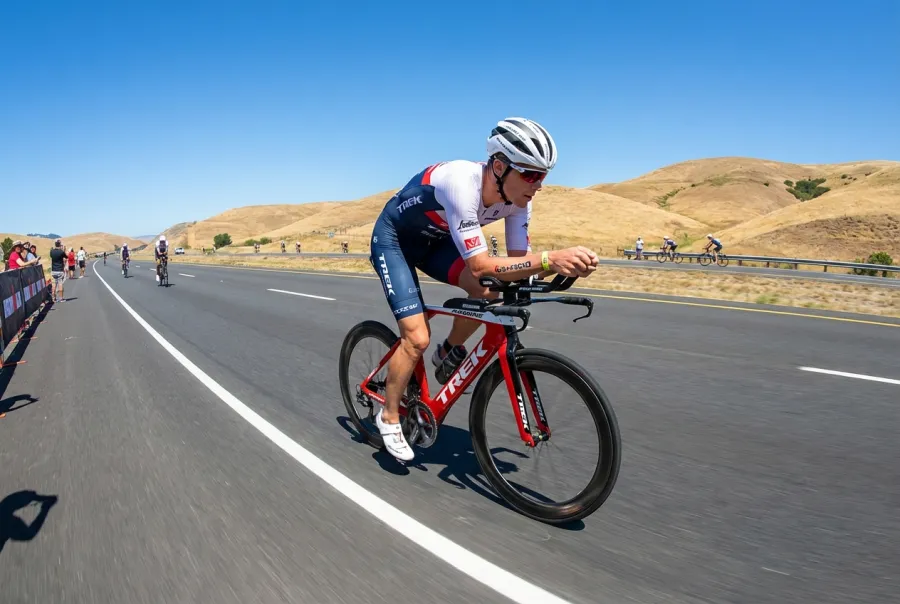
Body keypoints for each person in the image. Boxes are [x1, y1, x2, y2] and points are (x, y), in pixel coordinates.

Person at [369, 116, 599, 461]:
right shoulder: (461, 183)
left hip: (436, 242)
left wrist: (555, 269)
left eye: (544, 176)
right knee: (416, 337)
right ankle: (388, 415)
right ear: (499, 166)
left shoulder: (519, 199)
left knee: (490, 293)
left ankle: (449, 350)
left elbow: (516, 264)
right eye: (531, 174)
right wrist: (551, 259)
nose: (538, 185)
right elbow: (480, 265)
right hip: (395, 241)